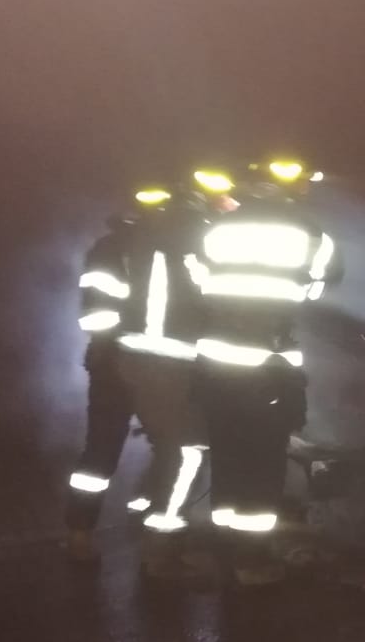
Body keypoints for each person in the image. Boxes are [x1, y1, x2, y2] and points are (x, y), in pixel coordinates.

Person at [188, 159, 340, 585]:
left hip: (216, 368)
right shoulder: (310, 233)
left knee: (228, 460)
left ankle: (225, 551)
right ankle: (252, 561)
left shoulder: (214, 229)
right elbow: (322, 285)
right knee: (263, 466)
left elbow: (197, 280)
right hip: (268, 372)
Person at [111, 180, 222, 575]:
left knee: (166, 440)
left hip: (132, 357)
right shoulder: (201, 238)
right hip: (175, 359)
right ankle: (161, 541)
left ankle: (144, 502)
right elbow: (214, 295)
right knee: (188, 450)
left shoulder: (141, 235)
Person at [64, 186, 170, 562]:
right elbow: (99, 315)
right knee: (168, 445)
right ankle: (148, 525)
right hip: (147, 366)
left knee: (103, 449)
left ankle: (82, 532)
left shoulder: (107, 249)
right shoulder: (167, 249)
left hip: (116, 363)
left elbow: (96, 315)